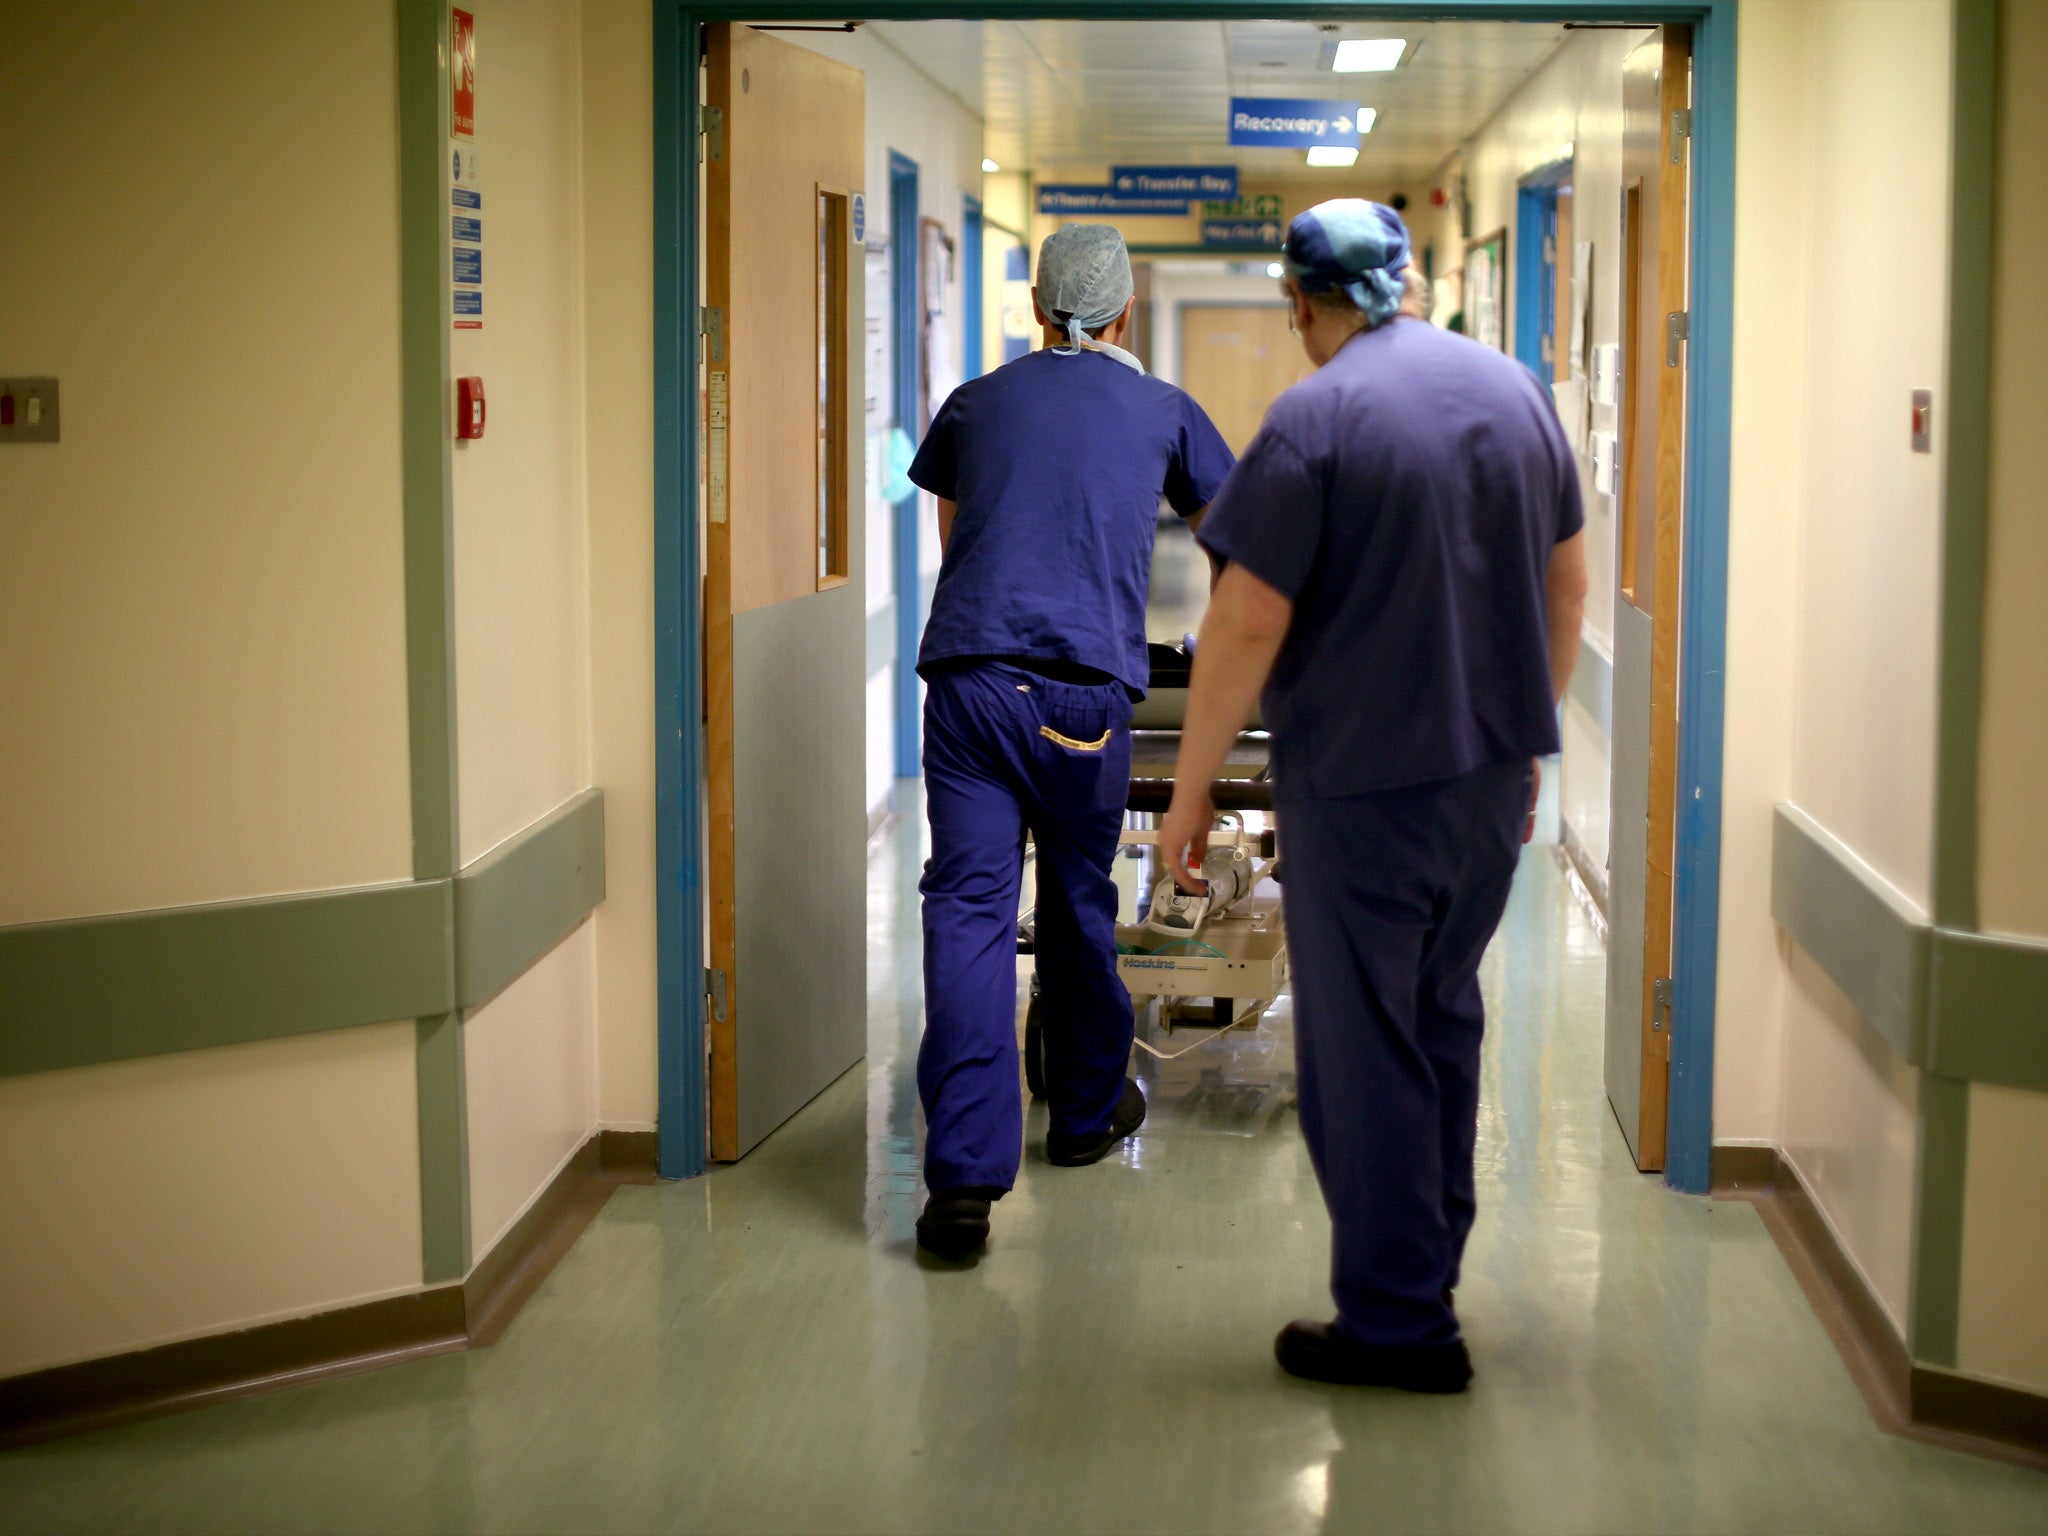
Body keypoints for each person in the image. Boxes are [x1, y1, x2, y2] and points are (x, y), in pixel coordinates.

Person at [1156, 200, 1587, 1390]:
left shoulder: (1315, 419)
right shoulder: (1513, 393)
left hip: (1361, 788)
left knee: (1362, 1053)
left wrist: (1190, 797)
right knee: (1440, 1020)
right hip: (1485, 784)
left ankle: (1399, 1326)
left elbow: (1245, 618)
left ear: (1300, 301)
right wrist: (1523, 745)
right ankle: (1424, 1271)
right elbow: (1566, 590)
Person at [906, 223, 1236, 1261]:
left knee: (966, 913)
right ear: (1125, 311)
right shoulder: (1162, 409)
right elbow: (1241, 543)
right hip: (1080, 698)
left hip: (968, 686)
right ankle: (1085, 1119)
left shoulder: (975, 404)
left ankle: (961, 1184)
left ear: (1039, 308)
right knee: (1077, 905)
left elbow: (963, 542)